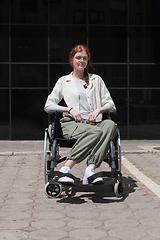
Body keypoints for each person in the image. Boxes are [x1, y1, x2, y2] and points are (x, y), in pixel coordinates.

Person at [44, 44, 117, 185]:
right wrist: (69, 109)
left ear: (88, 61)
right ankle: (66, 169)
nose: (81, 61)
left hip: (94, 122)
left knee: (110, 125)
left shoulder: (96, 80)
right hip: (72, 124)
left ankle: (90, 171)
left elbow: (111, 104)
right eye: (78, 58)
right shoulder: (64, 81)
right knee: (95, 132)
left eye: (84, 58)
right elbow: (48, 105)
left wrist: (98, 110)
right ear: (72, 60)